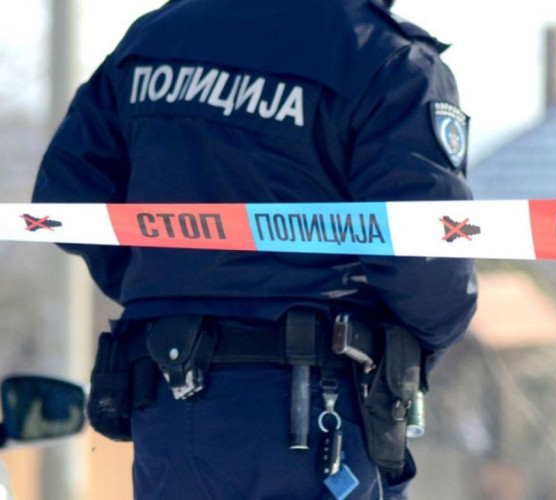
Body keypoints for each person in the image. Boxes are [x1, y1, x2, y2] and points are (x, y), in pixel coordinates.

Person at [32, 0, 477, 498]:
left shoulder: (155, 39)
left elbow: (67, 198)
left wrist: (165, 287)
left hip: (166, 401)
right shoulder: (385, 58)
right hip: (309, 409)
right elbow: (429, 264)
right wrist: (405, 355)